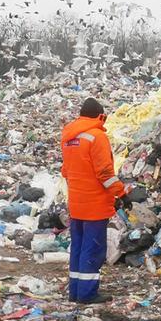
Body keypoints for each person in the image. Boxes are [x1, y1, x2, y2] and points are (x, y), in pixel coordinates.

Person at [60, 97, 129, 303]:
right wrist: (122, 193)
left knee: (78, 248)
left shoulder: (69, 137)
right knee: (93, 249)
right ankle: (87, 294)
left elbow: (66, 171)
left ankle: (75, 292)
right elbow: (105, 174)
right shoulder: (96, 136)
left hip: (76, 204)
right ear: (101, 116)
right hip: (95, 206)